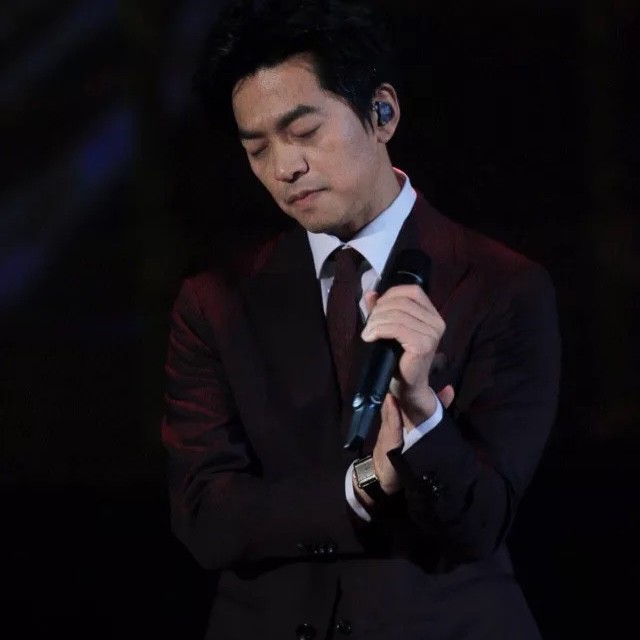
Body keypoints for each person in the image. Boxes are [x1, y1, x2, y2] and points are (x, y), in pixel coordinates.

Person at [161, 1, 561, 638]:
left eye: (304, 131)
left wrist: (423, 414)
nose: (285, 168)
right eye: (257, 149)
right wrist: (364, 484)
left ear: (382, 113)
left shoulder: (503, 286)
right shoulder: (216, 302)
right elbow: (205, 515)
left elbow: (482, 520)